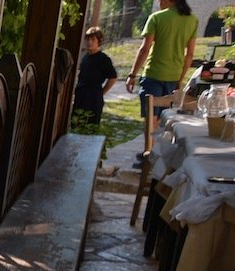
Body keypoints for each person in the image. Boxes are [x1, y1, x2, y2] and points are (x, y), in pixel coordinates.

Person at [125, 0, 197, 158]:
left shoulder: (156, 18)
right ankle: (157, 154)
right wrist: (180, 78)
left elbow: (145, 49)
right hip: (173, 76)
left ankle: (149, 154)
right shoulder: (192, 20)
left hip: (153, 74)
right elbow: (190, 54)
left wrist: (132, 75)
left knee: (151, 117)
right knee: (165, 119)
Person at [72, 27, 118, 128]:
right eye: (88, 39)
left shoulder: (103, 59)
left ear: (99, 41)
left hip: (93, 97)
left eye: (93, 40)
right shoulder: (85, 57)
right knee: (76, 124)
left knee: (90, 125)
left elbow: (113, 77)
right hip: (81, 95)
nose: (89, 42)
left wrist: (102, 91)